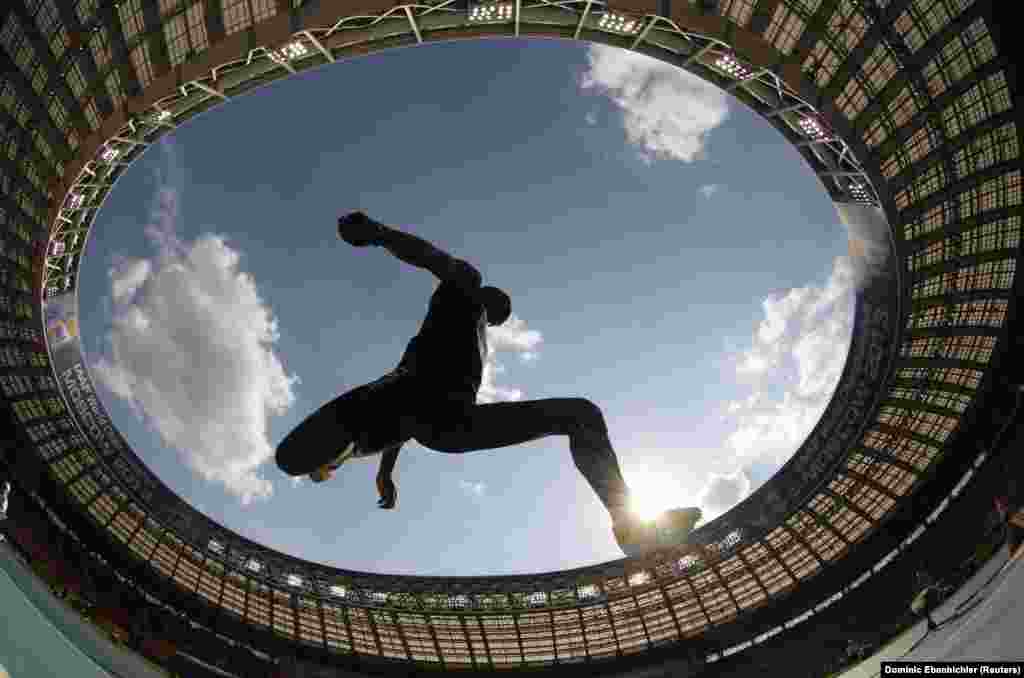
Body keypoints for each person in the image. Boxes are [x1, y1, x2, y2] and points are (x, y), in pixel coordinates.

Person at [312, 211, 702, 557]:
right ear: (488, 298)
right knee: (575, 413)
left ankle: (630, 525)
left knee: (581, 414)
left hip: (445, 421)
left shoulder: (473, 337)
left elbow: (406, 414)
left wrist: (385, 473)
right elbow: (427, 255)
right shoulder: (463, 286)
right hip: (426, 414)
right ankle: (339, 451)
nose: (496, 320)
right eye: (500, 311)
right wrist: (378, 233)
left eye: (498, 320)